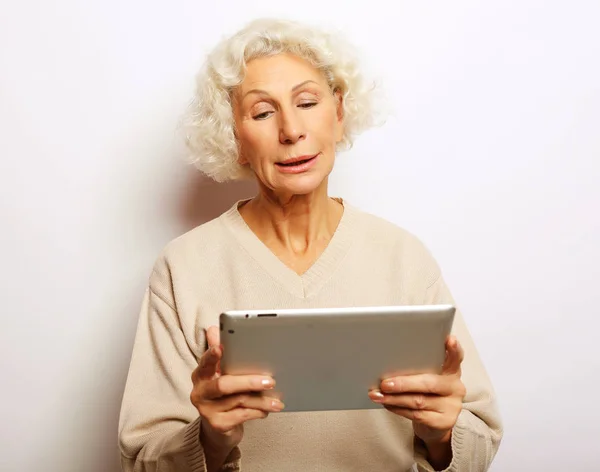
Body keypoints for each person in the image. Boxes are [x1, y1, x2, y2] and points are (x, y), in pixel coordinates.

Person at [118, 17, 503, 472]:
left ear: (338, 114)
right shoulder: (183, 267)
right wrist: (210, 438)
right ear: (234, 137)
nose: (291, 130)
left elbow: (479, 438)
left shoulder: (403, 256)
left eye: (306, 102)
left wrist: (442, 434)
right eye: (262, 112)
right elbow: (141, 461)